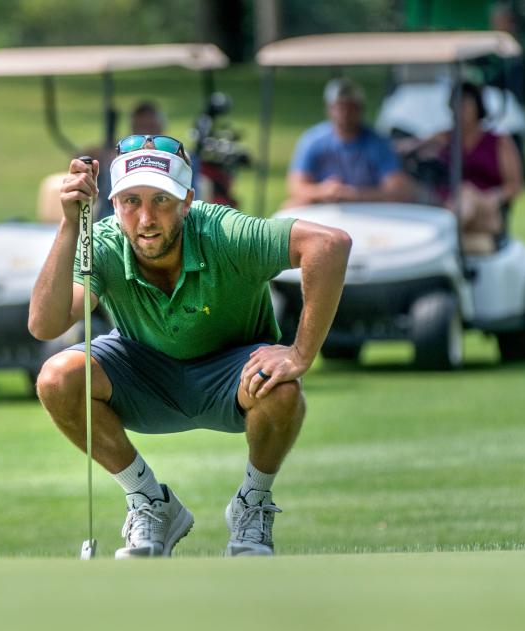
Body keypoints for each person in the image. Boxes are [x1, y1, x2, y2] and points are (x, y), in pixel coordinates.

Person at [29, 134, 352, 557]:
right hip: (143, 372)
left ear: (187, 200)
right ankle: (150, 502)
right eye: (130, 201)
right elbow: (45, 324)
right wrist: (71, 223)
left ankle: (252, 504)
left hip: (232, 373)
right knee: (57, 378)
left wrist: (300, 353)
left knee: (282, 389)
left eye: (161, 200)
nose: (145, 218)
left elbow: (329, 245)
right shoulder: (102, 241)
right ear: (113, 204)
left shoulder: (224, 231)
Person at [285, 78, 411, 207]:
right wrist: (322, 191)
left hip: (368, 210)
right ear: (329, 109)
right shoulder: (312, 140)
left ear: (360, 109)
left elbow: (398, 190)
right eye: (339, 108)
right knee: (291, 206)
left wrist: (354, 194)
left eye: (350, 108)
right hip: (324, 209)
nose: (344, 114)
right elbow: (296, 187)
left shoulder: (378, 144)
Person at [438, 82, 524, 246]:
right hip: (445, 201)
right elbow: (411, 148)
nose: (460, 111)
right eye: (457, 105)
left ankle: (442, 232)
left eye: (465, 105)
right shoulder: (445, 138)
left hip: (485, 205)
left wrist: (494, 197)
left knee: (466, 192)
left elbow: (515, 184)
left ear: (477, 107)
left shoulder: (498, 142)